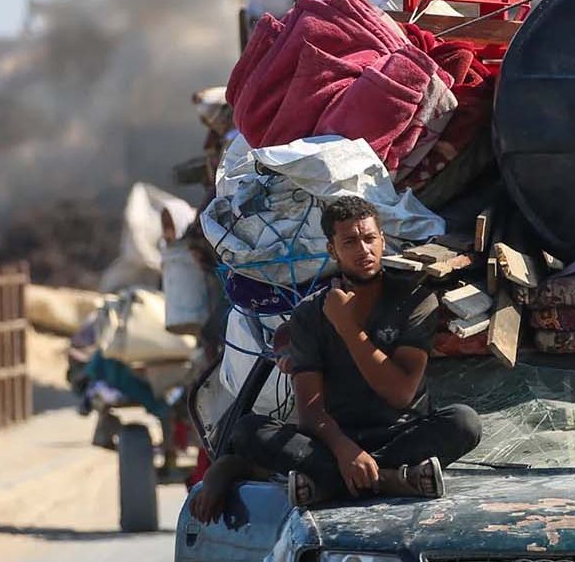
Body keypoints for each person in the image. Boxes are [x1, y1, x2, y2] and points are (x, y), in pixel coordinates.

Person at [194, 195, 481, 520]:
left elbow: (399, 394)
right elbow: (310, 410)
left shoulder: (414, 301)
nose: (364, 250)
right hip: (331, 441)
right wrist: (346, 452)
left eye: (370, 238)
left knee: (464, 422)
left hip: (400, 434)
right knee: (248, 430)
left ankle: (328, 484)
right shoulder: (309, 315)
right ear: (333, 250)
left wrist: (348, 328)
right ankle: (390, 480)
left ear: (383, 240)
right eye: (350, 241)